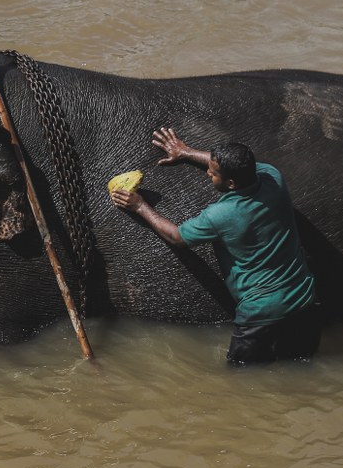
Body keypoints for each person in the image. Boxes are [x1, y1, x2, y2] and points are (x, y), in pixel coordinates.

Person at [110, 127, 320, 365]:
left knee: (243, 379)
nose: (208, 172)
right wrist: (185, 151)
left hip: (260, 313)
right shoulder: (273, 177)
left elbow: (177, 237)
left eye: (213, 173)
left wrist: (139, 206)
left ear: (230, 183)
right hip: (304, 301)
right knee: (302, 367)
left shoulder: (221, 215)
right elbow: (239, 167)